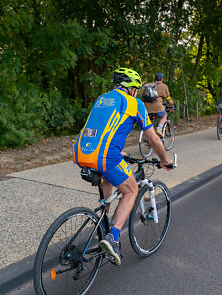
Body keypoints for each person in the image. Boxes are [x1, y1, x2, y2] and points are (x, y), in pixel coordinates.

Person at [73, 68, 173, 266]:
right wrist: (164, 160)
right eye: (135, 89)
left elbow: (103, 127)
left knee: (108, 178)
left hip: (81, 151)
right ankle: (113, 238)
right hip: (104, 156)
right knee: (131, 190)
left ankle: (104, 222)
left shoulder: (102, 99)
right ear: (132, 88)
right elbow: (152, 138)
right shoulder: (134, 103)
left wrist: (118, 152)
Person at [144, 73, 175, 137]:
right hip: (157, 106)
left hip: (147, 107)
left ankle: (147, 136)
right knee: (164, 116)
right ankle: (159, 128)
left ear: (155, 78)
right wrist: (171, 106)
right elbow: (168, 98)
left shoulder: (149, 85)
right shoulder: (164, 86)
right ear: (162, 79)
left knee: (149, 121)